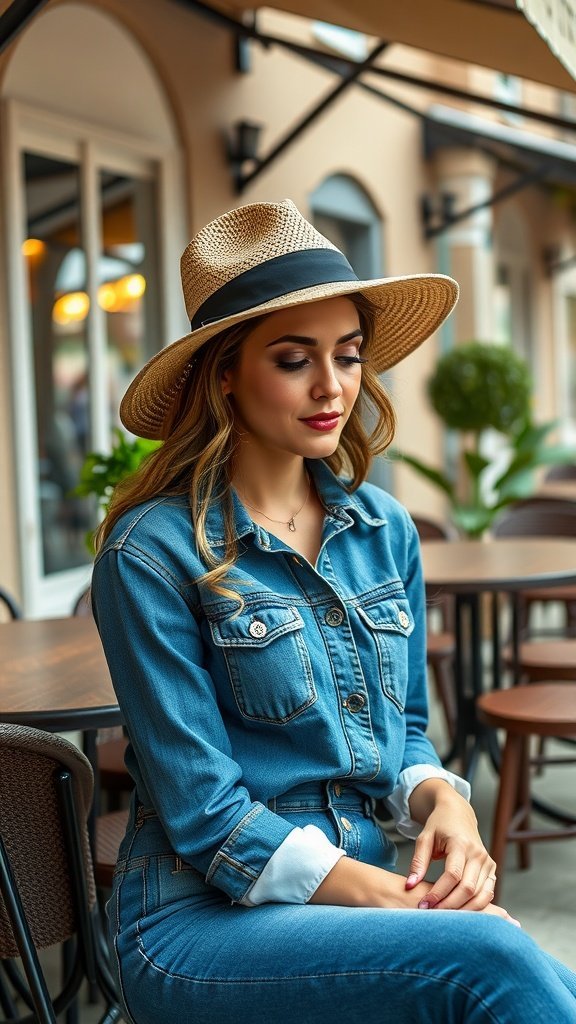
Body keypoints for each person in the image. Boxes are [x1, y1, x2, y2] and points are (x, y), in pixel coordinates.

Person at [92, 200, 576, 1024]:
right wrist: (395, 902)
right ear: (223, 374)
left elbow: (406, 730)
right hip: (198, 919)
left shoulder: (383, 529)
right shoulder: (150, 553)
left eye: (348, 357)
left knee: (533, 972)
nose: (333, 387)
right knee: (493, 961)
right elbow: (207, 819)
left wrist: (446, 804)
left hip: (357, 885)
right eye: (294, 359)